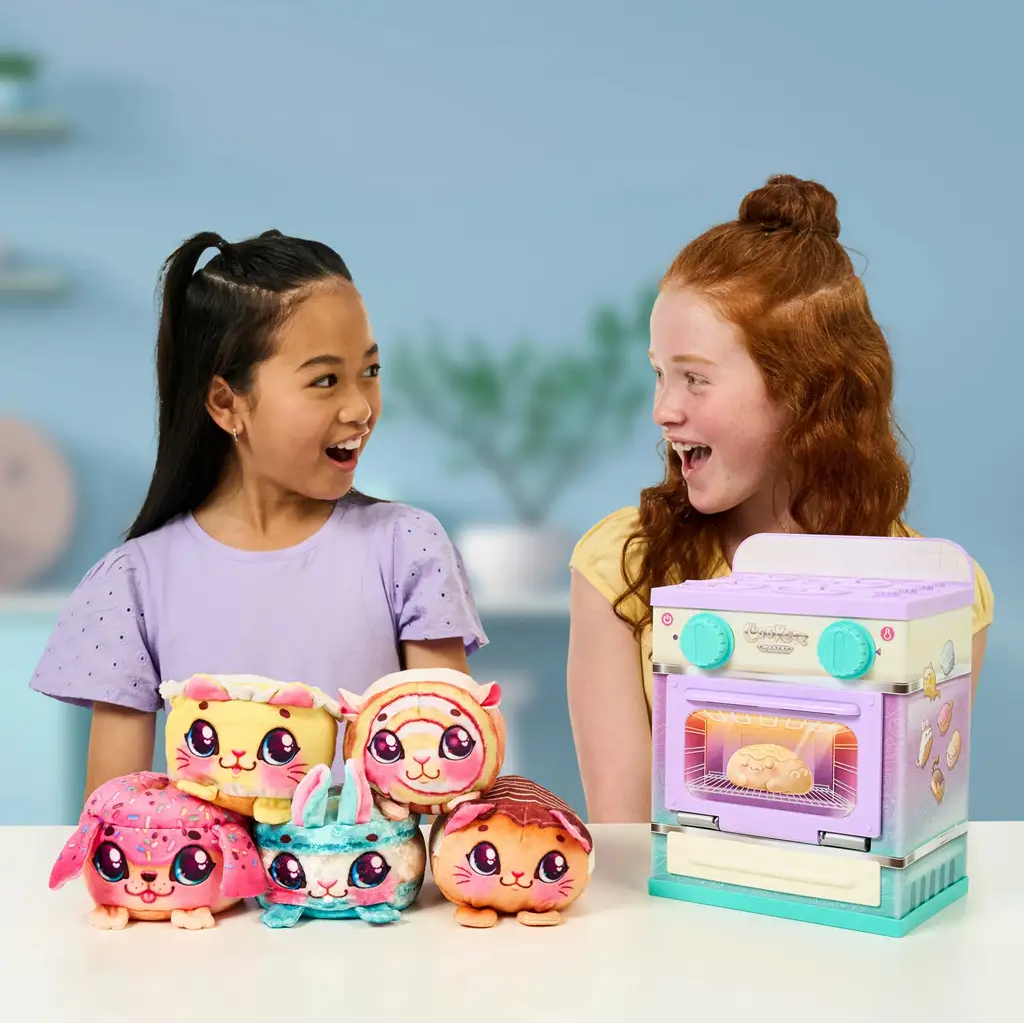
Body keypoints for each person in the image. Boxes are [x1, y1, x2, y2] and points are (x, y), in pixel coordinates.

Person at [566, 175, 994, 824]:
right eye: (660, 373)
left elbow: (910, 818)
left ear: (804, 392)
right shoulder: (622, 567)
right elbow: (623, 832)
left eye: (695, 379)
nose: (663, 410)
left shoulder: (944, 596)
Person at [30, 229, 487, 800]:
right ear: (226, 403)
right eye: (325, 380)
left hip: (375, 860)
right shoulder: (132, 583)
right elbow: (115, 816)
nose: (359, 408)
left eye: (369, 372)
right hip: (200, 862)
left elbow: (451, 786)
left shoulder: (408, 548)